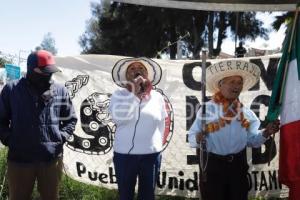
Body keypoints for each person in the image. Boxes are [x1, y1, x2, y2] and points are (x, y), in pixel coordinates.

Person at [188, 60, 280, 200]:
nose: (236, 86)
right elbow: (192, 137)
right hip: (213, 167)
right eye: (232, 82)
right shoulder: (207, 109)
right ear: (220, 85)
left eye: (239, 82)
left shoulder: (245, 112)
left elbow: (252, 141)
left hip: (238, 167)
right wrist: (198, 138)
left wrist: (266, 132)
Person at [0, 50, 77, 200]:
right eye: (44, 71)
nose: (48, 75)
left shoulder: (60, 90)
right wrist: (10, 140)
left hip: (51, 159)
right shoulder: (12, 90)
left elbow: (71, 120)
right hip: (20, 160)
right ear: (30, 68)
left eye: (50, 71)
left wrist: (59, 138)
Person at [109, 57, 167, 200]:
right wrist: (134, 95)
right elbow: (119, 119)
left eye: (141, 68)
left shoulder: (158, 97)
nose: (137, 71)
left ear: (147, 74)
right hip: (124, 156)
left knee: (147, 196)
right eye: (132, 69)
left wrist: (157, 146)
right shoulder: (119, 95)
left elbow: (161, 123)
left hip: (151, 156)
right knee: (125, 195)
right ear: (126, 75)